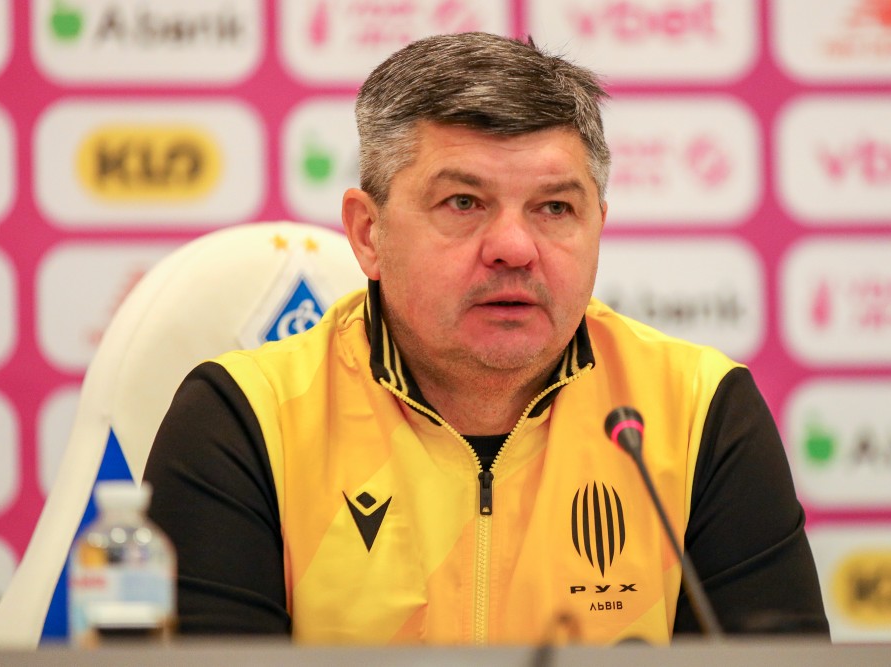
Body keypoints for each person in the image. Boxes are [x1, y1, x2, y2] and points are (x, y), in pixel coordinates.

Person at [144, 32, 829, 645]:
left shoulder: (697, 412)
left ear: (598, 225)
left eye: (554, 207)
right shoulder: (245, 420)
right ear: (368, 234)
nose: (513, 247)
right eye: (463, 203)